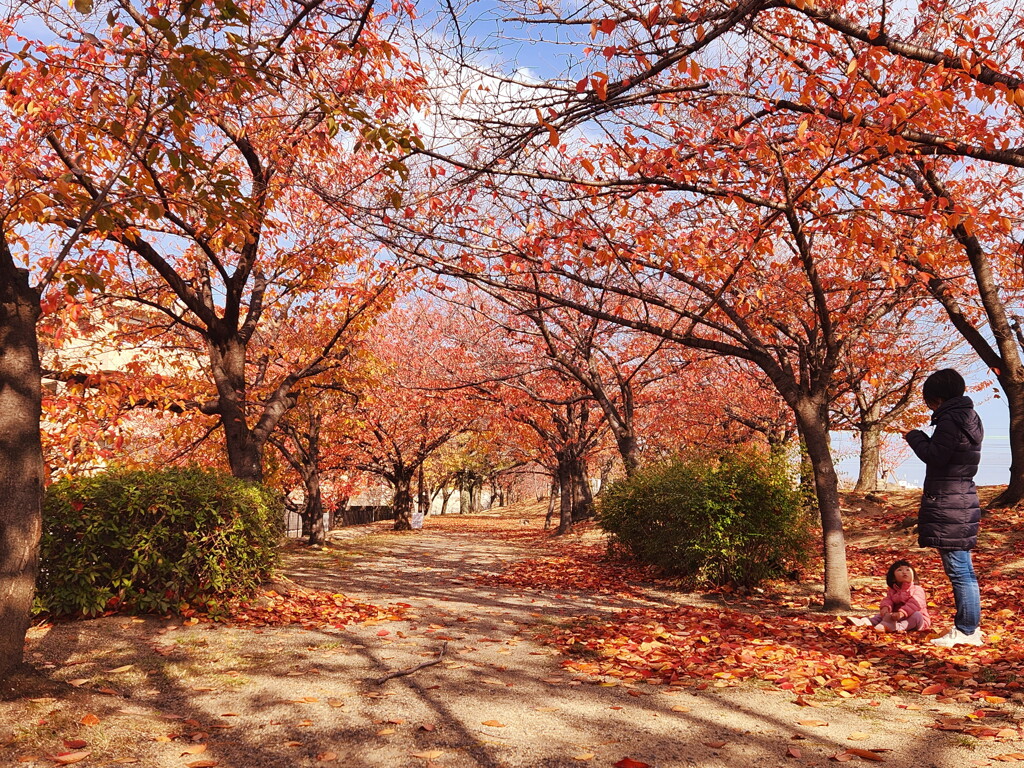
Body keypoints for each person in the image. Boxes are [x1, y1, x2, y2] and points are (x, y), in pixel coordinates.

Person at [904, 368, 984, 647]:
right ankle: (968, 628)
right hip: (960, 499)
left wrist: (914, 435)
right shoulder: (970, 418)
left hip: (950, 503)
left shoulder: (950, 421)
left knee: (960, 570)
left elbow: (935, 456)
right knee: (963, 569)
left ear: (936, 398)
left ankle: (966, 630)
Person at [848, 560, 931, 632]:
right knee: (880, 616)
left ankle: (898, 627)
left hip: (918, 621)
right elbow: (888, 600)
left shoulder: (917, 589)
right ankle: (866, 622)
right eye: (899, 570)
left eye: (908, 570)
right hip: (895, 617)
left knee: (916, 615)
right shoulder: (893, 590)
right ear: (893, 578)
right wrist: (886, 608)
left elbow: (914, 604)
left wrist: (902, 613)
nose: (904, 572)